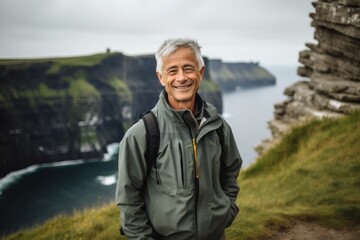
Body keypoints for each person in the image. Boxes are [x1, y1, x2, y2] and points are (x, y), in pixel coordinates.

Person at [116, 38, 242, 240]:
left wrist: (227, 210)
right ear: (161, 77)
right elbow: (128, 199)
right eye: (172, 71)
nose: (181, 78)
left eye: (188, 68)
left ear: (200, 73)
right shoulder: (142, 134)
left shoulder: (218, 126)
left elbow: (231, 170)